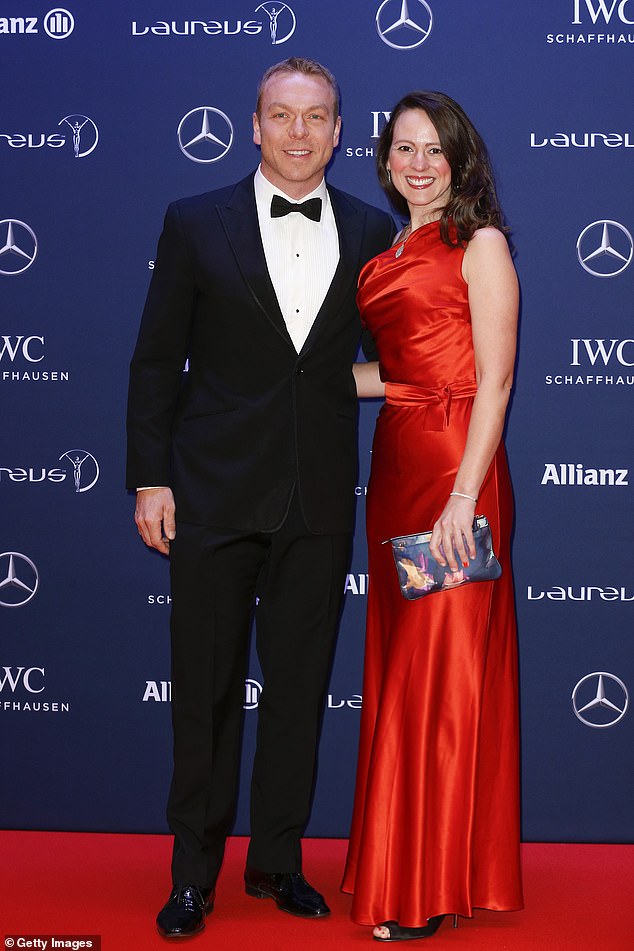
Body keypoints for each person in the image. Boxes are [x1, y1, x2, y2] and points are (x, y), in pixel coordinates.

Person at [126, 57, 395, 940]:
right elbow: (157, 358)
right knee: (202, 695)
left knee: (298, 694)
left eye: (317, 117)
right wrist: (151, 476)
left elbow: (386, 356)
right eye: (282, 115)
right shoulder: (193, 220)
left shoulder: (368, 228)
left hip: (317, 500)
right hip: (208, 493)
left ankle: (277, 861)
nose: (298, 132)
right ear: (253, 124)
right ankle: (192, 877)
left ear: (339, 132)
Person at [341, 91, 523, 941]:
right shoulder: (394, 247)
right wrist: (285, 377)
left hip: (458, 470)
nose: (417, 164)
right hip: (399, 462)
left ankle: (426, 886)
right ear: (385, 162)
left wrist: (463, 496)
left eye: (434, 150)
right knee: (404, 673)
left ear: (460, 160)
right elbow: (397, 373)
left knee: (442, 677)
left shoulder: (478, 243)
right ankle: (405, 860)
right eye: (403, 149)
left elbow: (493, 380)